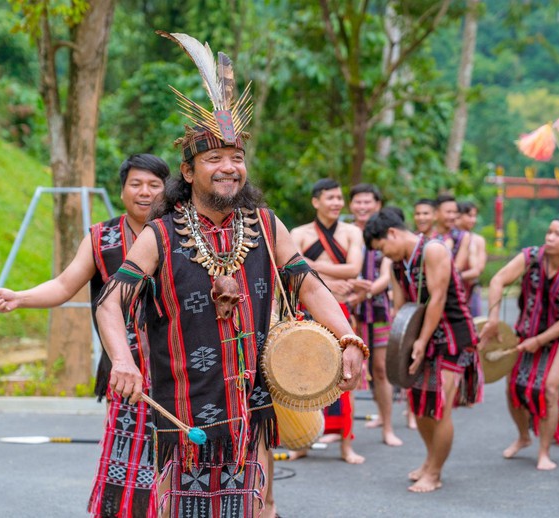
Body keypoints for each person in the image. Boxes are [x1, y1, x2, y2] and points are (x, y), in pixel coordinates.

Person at [94, 32, 365, 518]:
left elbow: (308, 284)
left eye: (236, 158)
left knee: (249, 508)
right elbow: (109, 303)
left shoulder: (265, 224)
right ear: (189, 171)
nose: (229, 167)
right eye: (214, 159)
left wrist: (347, 337)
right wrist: (121, 360)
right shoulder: (159, 235)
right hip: (184, 411)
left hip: (252, 405)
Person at [0, 154, 170, 517]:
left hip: (182, 366)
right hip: (126, 366)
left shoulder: (180, 232)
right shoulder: (103, 238)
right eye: (136, 184)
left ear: (167, 190)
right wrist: (18, 297)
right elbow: (65, 284)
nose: (144, 192)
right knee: (127, 463)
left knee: (183, 462)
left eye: (154, 185)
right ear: (121, 190)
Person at [365, 210, 482, 492]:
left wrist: (421, 341)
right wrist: (400, 345)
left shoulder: (434, 250)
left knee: (438, 406)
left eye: (382, 248)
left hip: (452, 335)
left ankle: (435, 473)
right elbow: (400, 307)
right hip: (420, 337)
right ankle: (430, 461)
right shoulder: (396, 264)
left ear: (392, 233)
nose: (384, 255)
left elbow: (438, 298)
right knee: (421, 405)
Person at [480, 218, 559, 470]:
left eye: (557, 234)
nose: (549, 237)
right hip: (522, 333)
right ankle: (523, 436)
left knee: (549, 391)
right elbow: (497, 281)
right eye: (549, 232)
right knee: (513, 389)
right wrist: (494, 318)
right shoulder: (530, 257)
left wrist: (540, 340)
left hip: (557, 340)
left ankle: (544, 452)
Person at [290, 178, 366, 463]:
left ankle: (347, 445)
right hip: (307, 311)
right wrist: (332, 280)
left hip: (342, 314)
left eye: (339, 198)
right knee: (305, 377)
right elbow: (292, 269)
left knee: (347, 375)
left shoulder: (352, 233)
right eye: (330, 198)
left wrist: (315, 268)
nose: (336, 203)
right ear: (315, 201)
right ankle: (302, 440)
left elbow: (355, 268)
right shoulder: (298, 233)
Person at [347, 183, 402, 447]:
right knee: (348, 370)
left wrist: (364, 293)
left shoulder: (386, 233)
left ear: (377, 205)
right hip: (348, 307)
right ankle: (346, 433)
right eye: (358, 202)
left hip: (377, 307)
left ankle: (388, 426)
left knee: (381, 369)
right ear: (351, 206)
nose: (363, 207)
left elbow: (386, 277)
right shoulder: (345, 233)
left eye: (368, 202)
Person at [456, 201, 487, 317]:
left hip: (471, 289)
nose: (473, 220)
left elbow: (478, 269)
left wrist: (455, 277)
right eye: (469, 216)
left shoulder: (478, 240)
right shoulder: (450, 238)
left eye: (474, 216)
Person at [432, 194, 471, 274]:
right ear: (436, 214)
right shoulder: (426, 236)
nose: (452, 216)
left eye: (455, 212)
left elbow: (458, 267)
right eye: (448, 212)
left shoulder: (463, 236)